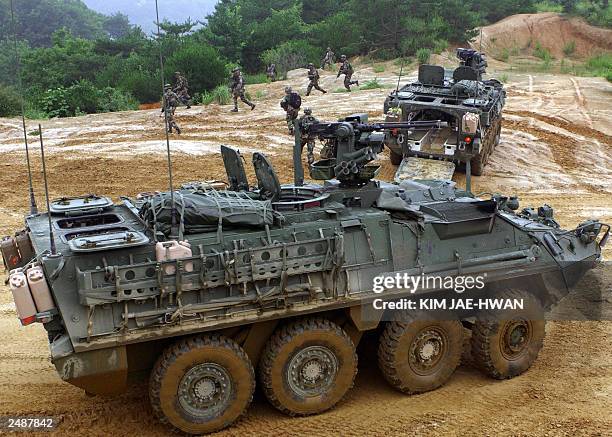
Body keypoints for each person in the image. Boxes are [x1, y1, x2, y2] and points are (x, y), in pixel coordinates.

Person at [294, 107, 320, 185]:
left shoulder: (301, 118)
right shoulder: (314, 119)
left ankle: (297, 162)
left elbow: (297, 127)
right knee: (310, 152)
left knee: (299, 149)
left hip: (303, 137)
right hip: (311, 138)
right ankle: (310, 164)